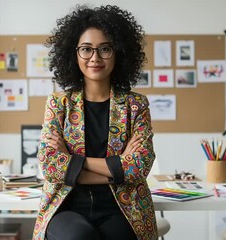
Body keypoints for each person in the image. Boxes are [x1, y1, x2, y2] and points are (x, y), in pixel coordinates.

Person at [33, 4, 157, 240]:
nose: (95, 58)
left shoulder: (136, 105)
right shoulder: (59, 103)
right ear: (74, 53)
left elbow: (139, 166)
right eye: (86, 49)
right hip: (67, 204)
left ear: (118, 52)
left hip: (124, 207)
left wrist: (72, 162)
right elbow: (50, 165)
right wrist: (118, 166)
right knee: (80, 236)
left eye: (105, 49)